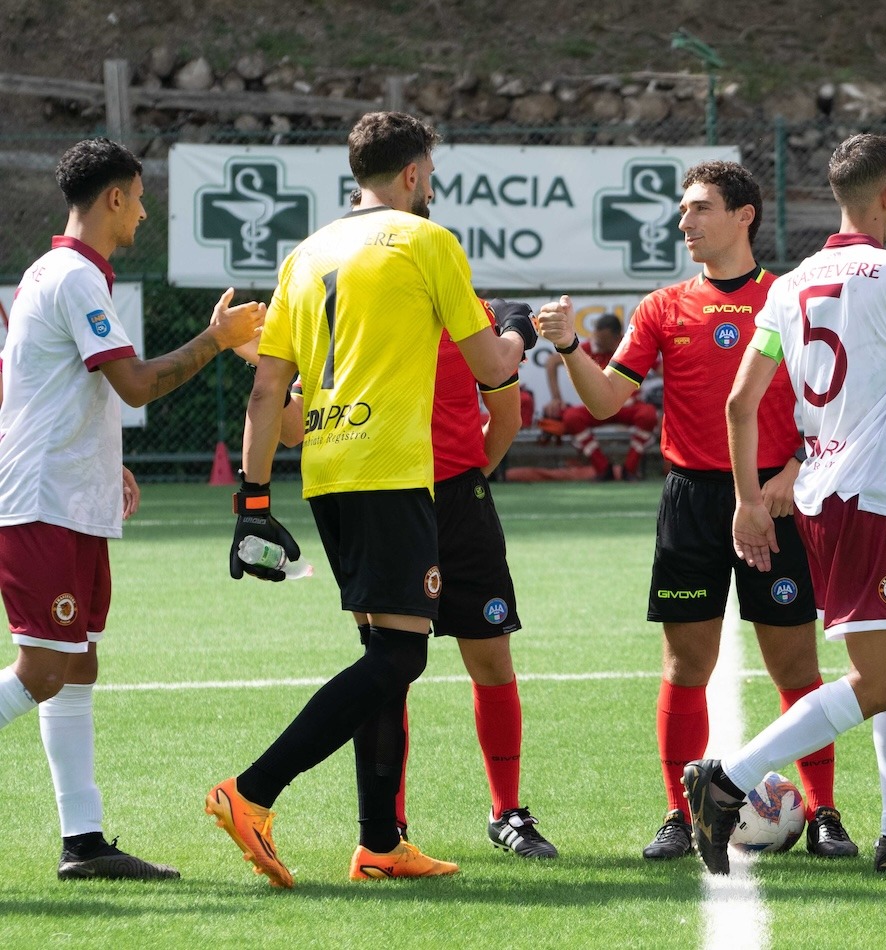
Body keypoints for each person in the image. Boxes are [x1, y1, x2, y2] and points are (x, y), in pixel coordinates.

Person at [204, 111, 529, 888]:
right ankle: (251, 792)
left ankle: (380, 844)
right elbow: (488, 366)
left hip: (326, 470)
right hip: (391, 467)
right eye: (431, 175)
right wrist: (516, 342)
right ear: (415, 175)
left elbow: (265, 389)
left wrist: (252, 500)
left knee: (384, 653)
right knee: (401, 653)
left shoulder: (305, 253)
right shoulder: (428, 241)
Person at [684, 132, 886, 876]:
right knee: (881, 678)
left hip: (826, 489)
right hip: (864, 499)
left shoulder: (789, 284)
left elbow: (739, 402)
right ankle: (724, 779)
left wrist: (746, 501)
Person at [533, 160, 858, 861]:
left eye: (699, 208)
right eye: (683, 210)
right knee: (685, 666)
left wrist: (791, 475)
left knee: (795, 665)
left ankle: (825, 811)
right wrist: (566, 347)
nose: (685, 221)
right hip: (691, 501)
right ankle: (681, 815)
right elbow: (606, 400)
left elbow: (832, 404)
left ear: (743, 216)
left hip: (776, 499)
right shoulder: (663, 307)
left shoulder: (792, 298)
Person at [0, 137, 264, 880]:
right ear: (114, 197)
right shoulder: (75, 277)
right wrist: (217, 339)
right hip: (42, 501)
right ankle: (81, 841)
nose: (145, 214)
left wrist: (103, 468)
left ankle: (82, 842)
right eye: (141, 199)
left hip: (68, 497)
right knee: (45, 667)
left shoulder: (62, 275)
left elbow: (43, 391)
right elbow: (137, 386)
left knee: (77, 665)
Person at [264, 297, 556, 860]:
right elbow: (293, 430)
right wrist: (264, 365)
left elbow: (508, 415)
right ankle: (387, 826)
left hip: (457, 505)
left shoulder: (466, 312)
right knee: (387, 667)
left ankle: (507, 810)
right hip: (385, 507)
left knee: (491, 660)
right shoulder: (354, 317)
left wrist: (465, 479)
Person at [543, 312, 658, 480]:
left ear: (618, 337)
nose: (600, 344)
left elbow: (664, 369)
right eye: (598, 339)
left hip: (629, 406)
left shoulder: (632, 346)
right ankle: (603, 468)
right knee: (571, 417)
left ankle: (630, 469)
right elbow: (552, 361)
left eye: (605, 340)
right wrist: (556, 398)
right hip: (599, 406)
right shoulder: (592, 346)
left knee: (649, 414)